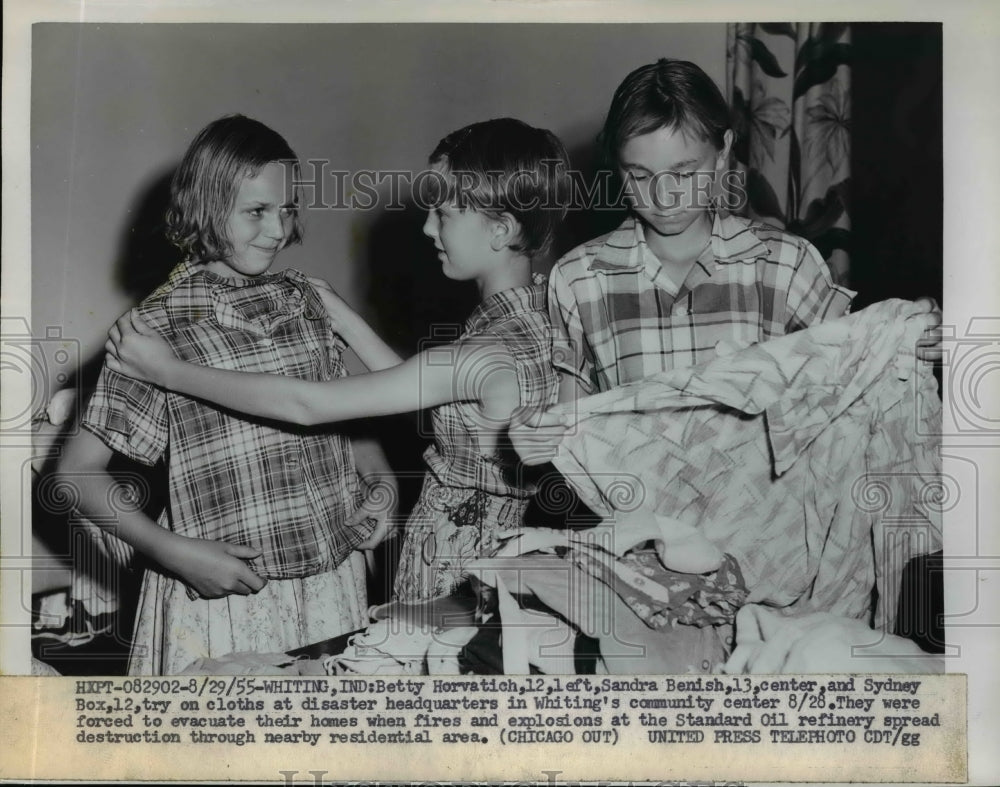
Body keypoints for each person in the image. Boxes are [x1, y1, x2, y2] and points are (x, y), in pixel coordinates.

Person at [105, 118, 569, 602]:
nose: (428, 227)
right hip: (506, 550)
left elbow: (308, 405)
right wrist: (345, 320)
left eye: (444, 213)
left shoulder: (484, 353)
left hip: (458, 563)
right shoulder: (538, 317)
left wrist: (167, 370)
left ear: (501, 229)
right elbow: (429, 391)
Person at [57, 115, 394, 675]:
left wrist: (380, 481)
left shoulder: (306, 299)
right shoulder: (154, 328)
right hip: (227, 596)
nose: (278, 230)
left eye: (287, 209)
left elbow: (342, 417)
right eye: (257, 211)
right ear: (206, 207)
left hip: (334, 583)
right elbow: (76, 475)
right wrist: (172, 552)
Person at [511, 57, 941, 464]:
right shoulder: (578, 278)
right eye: (638, 176)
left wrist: (909, 341)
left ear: (722, 153)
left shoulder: (784, 265)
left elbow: (850, 381)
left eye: (683, 173)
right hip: (638, 525)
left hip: (769, 528)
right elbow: (567, 424)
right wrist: (537, 437)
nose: (663, 198)